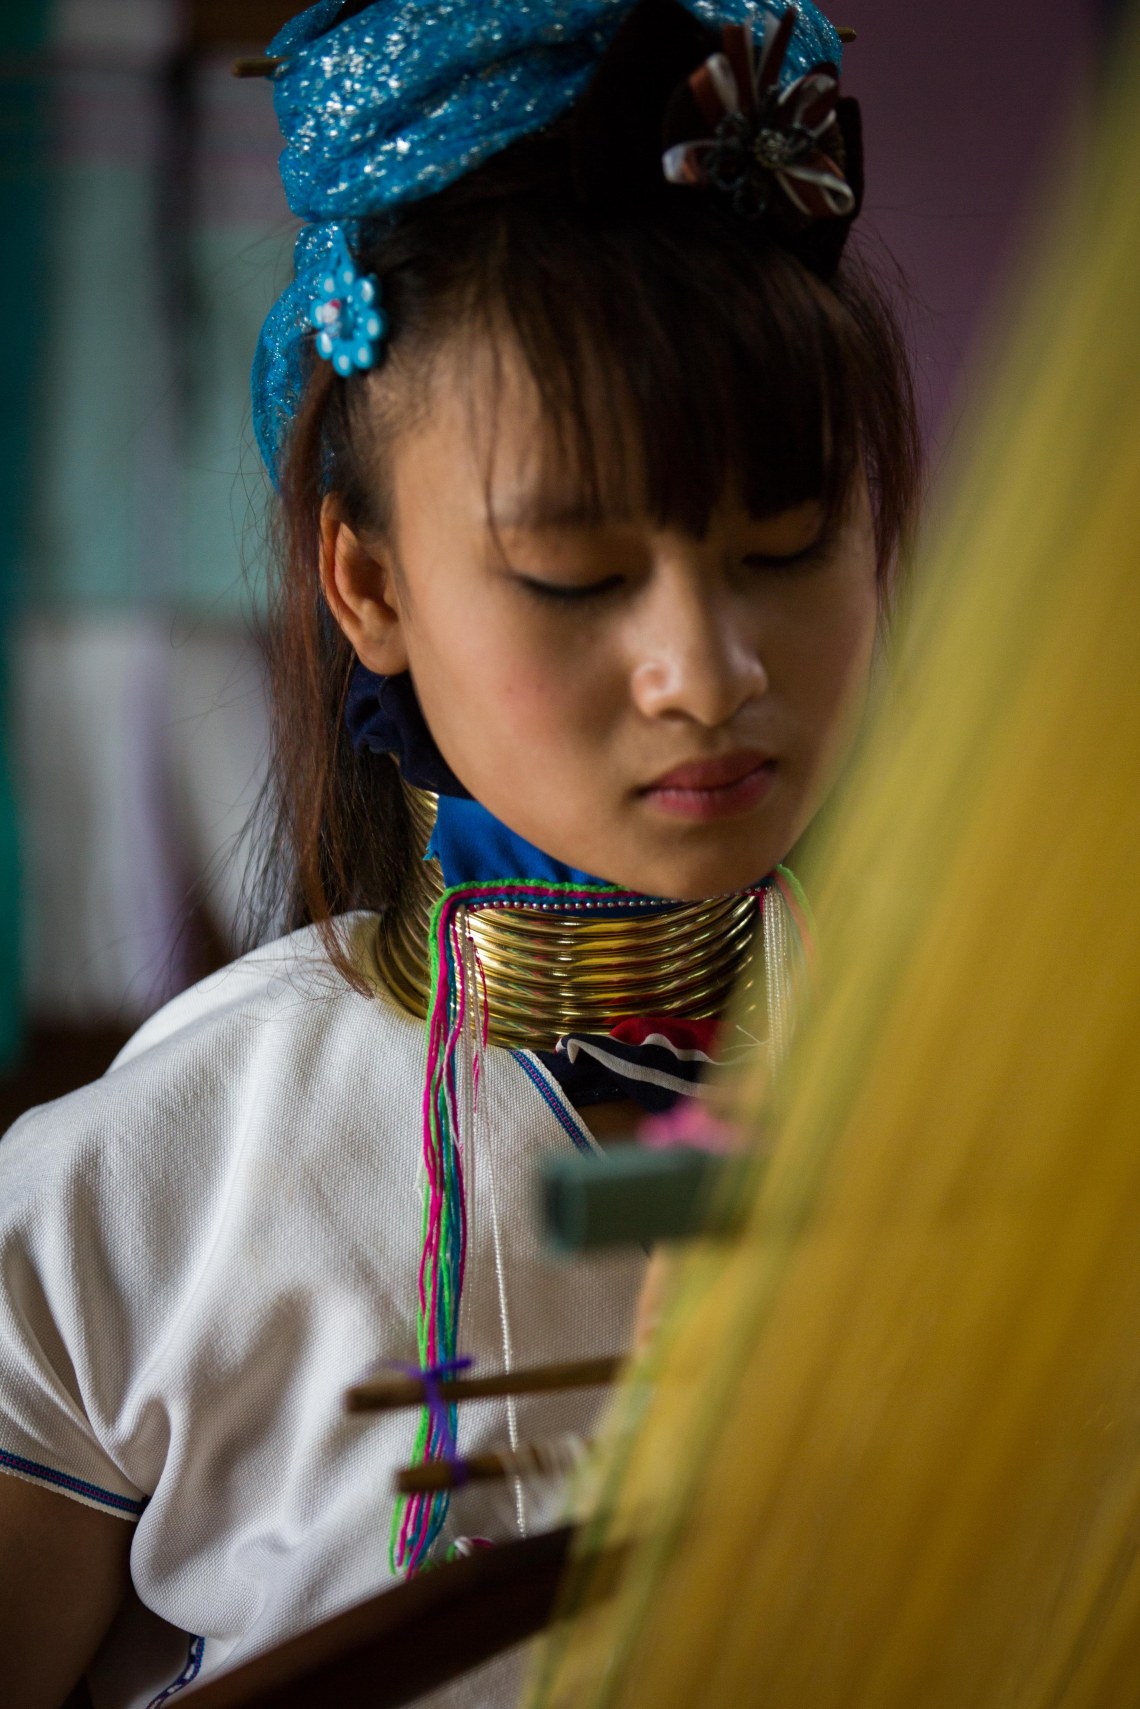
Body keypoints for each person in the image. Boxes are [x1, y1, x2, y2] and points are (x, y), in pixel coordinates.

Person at [0, 1, 920, 1704]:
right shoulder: (148, 1184)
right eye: (578, 573)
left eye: (787, 543)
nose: (709, 670)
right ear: (368, 584)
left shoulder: (1000, 1104)